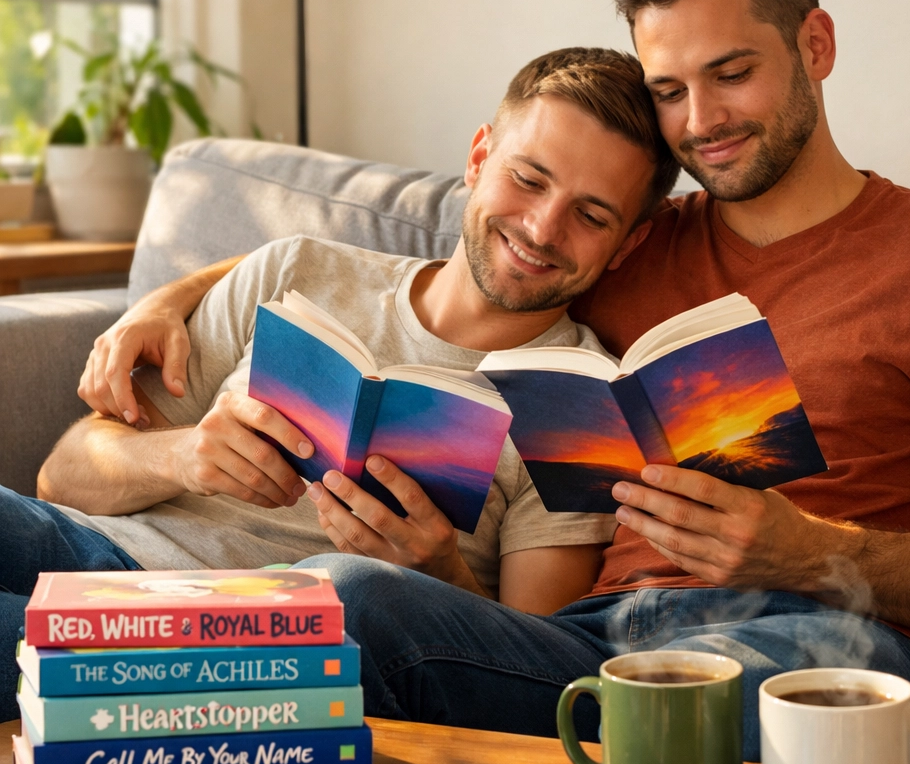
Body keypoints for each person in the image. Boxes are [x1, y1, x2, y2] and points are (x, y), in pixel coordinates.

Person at [73, 0, 910, 760]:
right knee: (351, 597)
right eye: (669, 90)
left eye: (732, 74)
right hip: (591, 639)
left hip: (816, 631)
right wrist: (163, 301)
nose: (701, 123)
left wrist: (808, 550)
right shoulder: (625, 237)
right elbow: (426, 254)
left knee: (359, 605)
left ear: (815, 45)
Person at [0, 47, 681, 723]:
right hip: (102, 560)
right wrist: (178, 454)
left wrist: (441, 573)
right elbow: (61, 478)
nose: (541, 228)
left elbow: (519, 662)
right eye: (528, 179)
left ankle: (105, 686)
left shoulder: (579, 403)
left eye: (592, 216)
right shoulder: (296, 271)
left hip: (270, 646)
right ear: (479, 159)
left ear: (625, 245)